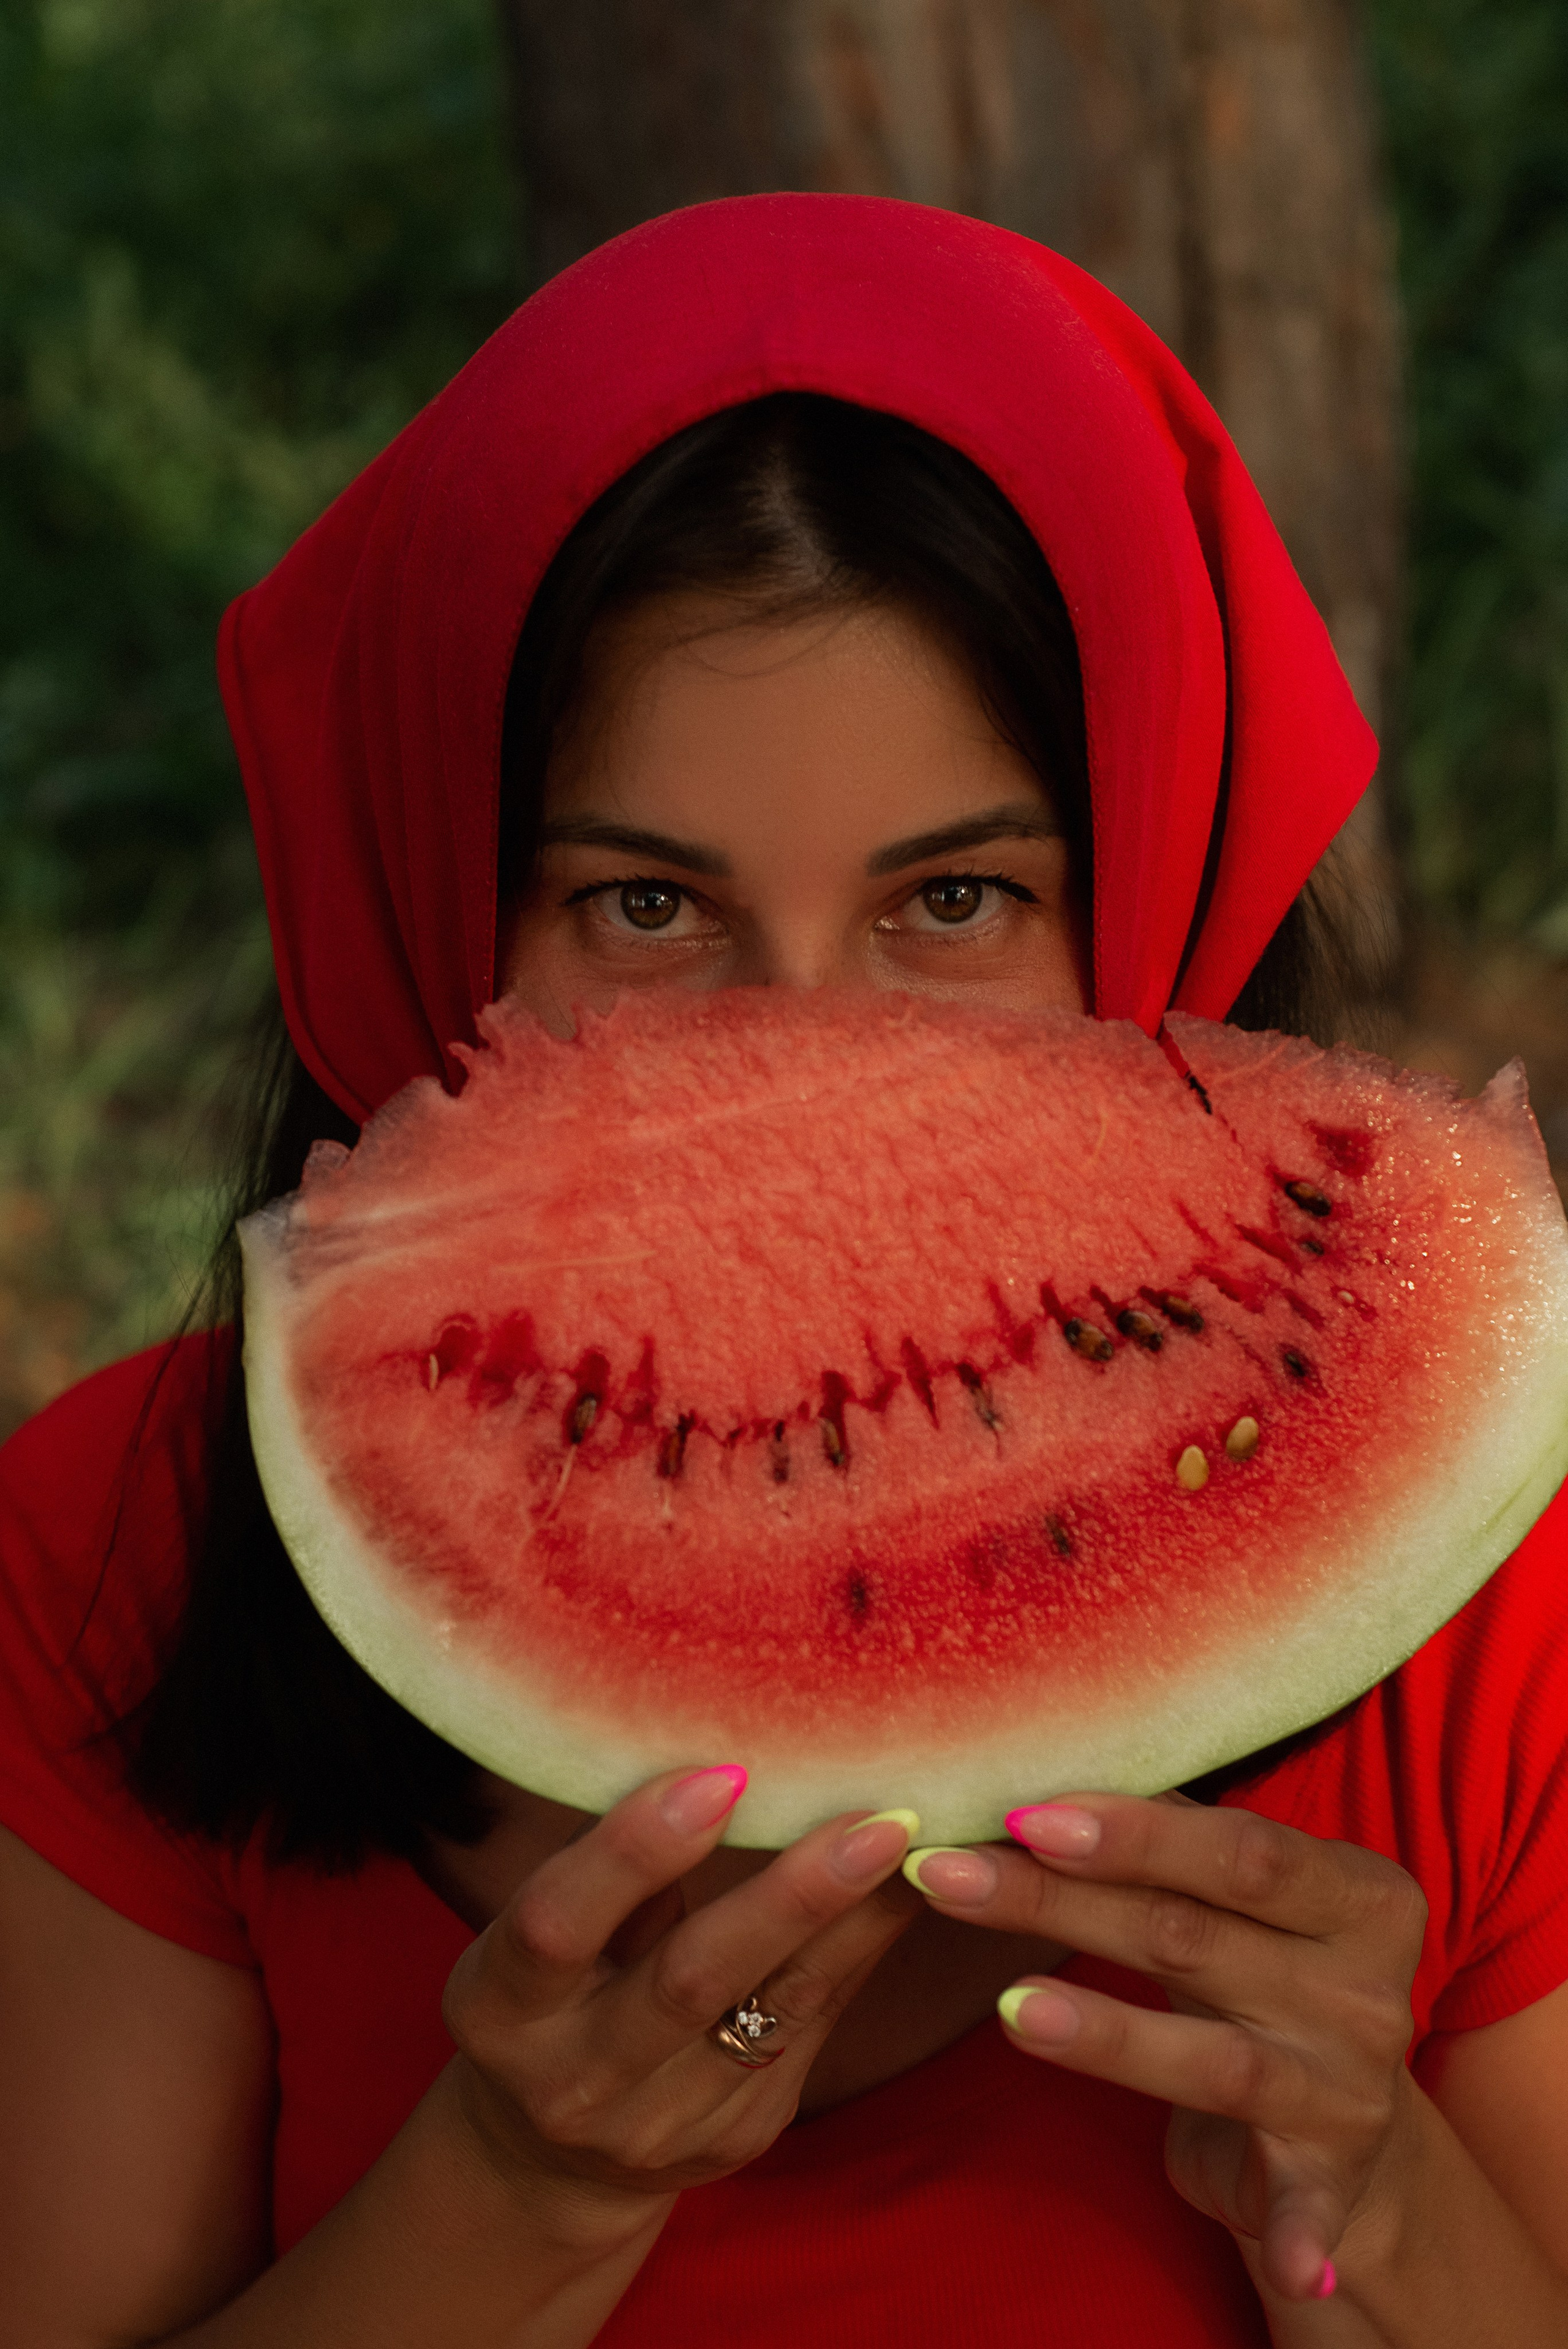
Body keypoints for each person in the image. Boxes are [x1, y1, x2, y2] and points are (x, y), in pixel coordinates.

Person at [2, 194, 1567, 2349]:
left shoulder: (1501, 1626)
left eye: (958, 903)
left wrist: (1382, 2203)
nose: (807, 1051)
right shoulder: (111, 1559)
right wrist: (516, 2196)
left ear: (1165, 897)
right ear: (423, 902)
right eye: (648, 908)